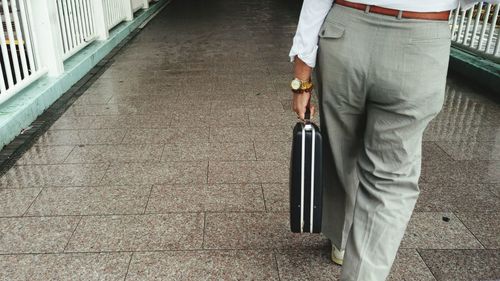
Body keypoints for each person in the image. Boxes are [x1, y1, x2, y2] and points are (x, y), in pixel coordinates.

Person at [289, 0, 499, 280]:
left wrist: (302, 79)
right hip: (420, 36)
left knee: (340, 149)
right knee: (390, 177)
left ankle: (342, 239)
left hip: (344, 34)